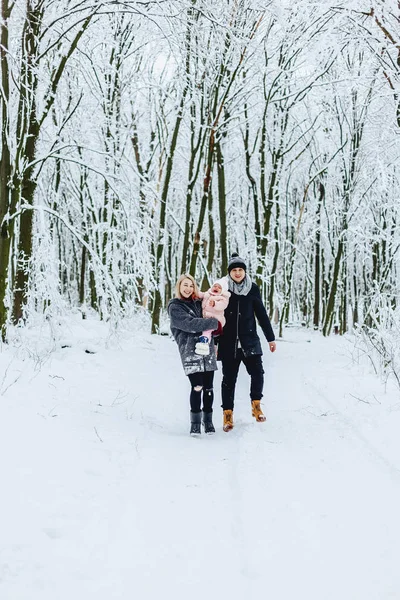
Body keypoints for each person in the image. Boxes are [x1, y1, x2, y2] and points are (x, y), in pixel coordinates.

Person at [217, 253, 277, 432]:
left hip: (250, 340)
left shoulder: (253, 289)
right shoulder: (223, 288)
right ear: (229, 272)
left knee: (258, 373)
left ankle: (256, 405)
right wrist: (213, 341)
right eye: (234, 270)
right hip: (228, 342)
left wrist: (270, 338)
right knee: (229, 380)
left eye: (240, 270)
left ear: (244, 271)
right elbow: (214, 313)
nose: (237, 273)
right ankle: (228, 415)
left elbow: (261, 314)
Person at [168, 274, 219, 435]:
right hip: (190, 351)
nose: (188, 288)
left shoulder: (200, 303)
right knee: (197, 386)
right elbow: (189, 324)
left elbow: (213, 311)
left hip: (207, 350)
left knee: (209, 387)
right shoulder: (175, 307)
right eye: (185, 285)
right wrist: (214, 323)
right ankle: (195, 423)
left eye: (191, 285)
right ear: (179, 287)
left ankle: (208, 420)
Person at [195, 278, 231, 356]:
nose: (216, 288)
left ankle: (204, 341)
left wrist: (215, 304)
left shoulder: (222, 298)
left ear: (222, 290)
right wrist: (195, 293)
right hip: (207, 318)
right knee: (208, 331)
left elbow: (222, 305)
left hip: (216, 319)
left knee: (208, 330)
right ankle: (212, 348)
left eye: (219, 287)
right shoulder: (207, 294)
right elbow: (201, 294)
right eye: (215, 286)